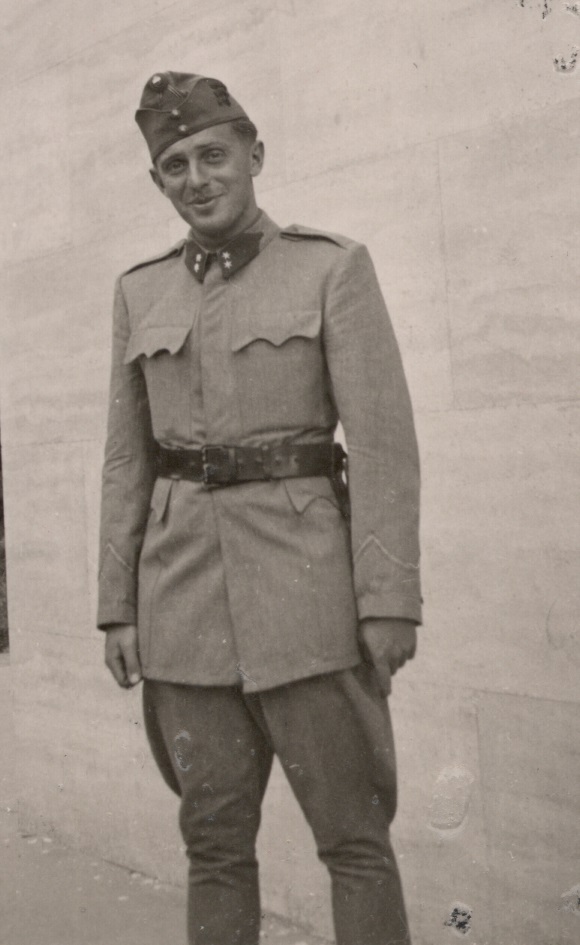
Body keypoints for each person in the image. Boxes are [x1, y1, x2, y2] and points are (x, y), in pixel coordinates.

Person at [98, 70, 422, 945]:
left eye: (213, 155)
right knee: (213, 847)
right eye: (175, 165)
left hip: (308, 602)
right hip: (184, 610)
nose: (197, 178)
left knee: (355, 842)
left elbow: (385, 445)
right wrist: (117, 606)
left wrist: (388, 599)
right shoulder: (139, 292)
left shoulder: (330, 268)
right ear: (157, 181)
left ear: (255, 155)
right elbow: (126, 460)